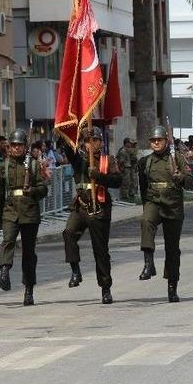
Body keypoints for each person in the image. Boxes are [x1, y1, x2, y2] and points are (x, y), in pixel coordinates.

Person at [62, 127, 122, 304]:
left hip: (99, 207)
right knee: (68, 233)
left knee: (100, 250)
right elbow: (68, 150)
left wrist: (99, 176)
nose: (92, 144)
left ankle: (105, 287)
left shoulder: (107, 160)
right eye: (88, 141)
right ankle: (75, 270)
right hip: (81, 205)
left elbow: (118, 181)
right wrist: (70, 136)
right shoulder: (79, 159)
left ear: (101, 143)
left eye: (95, 140)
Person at [137, 125, 193, 303]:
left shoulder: (177, 158)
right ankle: (148, 263)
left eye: (159, 140)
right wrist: (146, 204)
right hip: (153, 201)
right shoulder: (145, 162)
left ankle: (172, 286)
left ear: (166, 141)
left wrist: (180, 177)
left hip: (173, 205)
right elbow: (142, 184)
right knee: (146, 221)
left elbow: (191, 183)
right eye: (153, 140)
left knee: (172, 249)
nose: (156, 143)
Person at [0, 129, 49, 306]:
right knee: (7, 241)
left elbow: (43, 189)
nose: (16, 148)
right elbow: (0, 192)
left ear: (25, 146)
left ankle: (28, 289)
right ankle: (4, 273)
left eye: (20, 145)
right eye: (14, 145)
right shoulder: (4, 165)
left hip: (29, 211)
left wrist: (32, 190)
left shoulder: (32, 165)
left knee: (28, 253)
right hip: (10, 210)